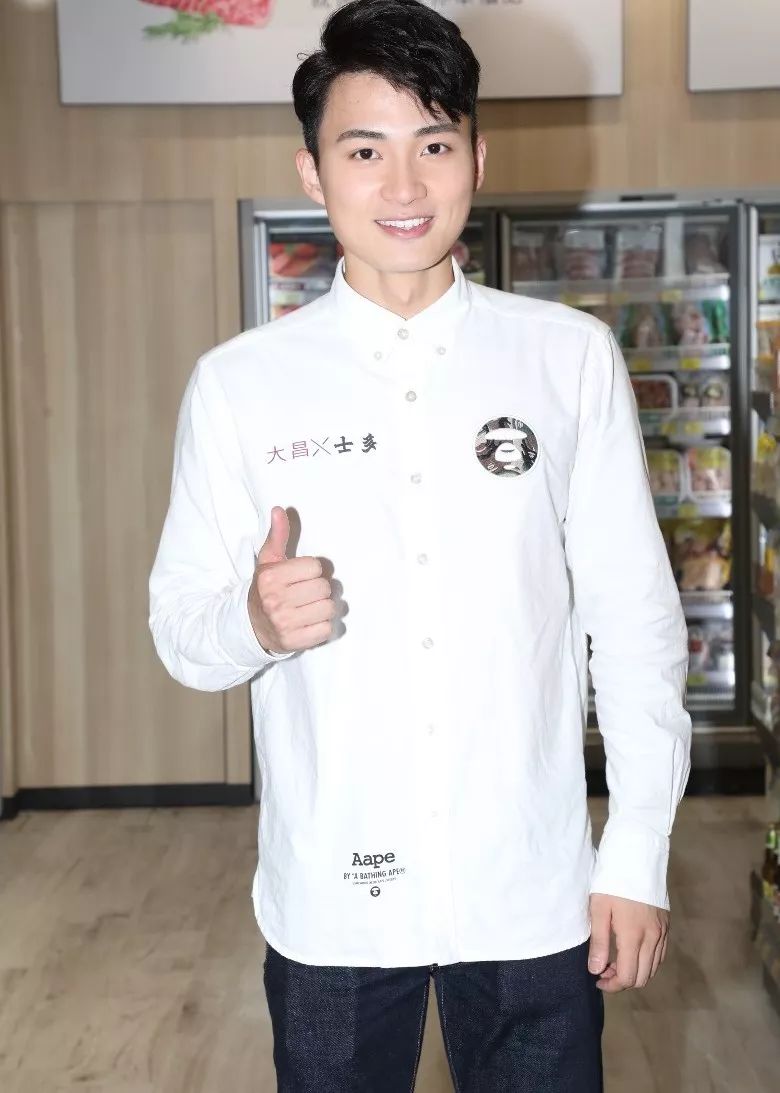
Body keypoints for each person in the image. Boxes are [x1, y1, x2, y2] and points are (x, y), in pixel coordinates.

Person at [148, 1, 692, 1088]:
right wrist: (252, 622)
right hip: (334, 901)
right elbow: (180, 633)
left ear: (477, 160)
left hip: (532, 886)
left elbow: (634, 621)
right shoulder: (240, 385)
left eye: (433, 145)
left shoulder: (568, 360)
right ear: (313, 173)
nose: (403, 186)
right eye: (365, 151)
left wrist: (636, 852)